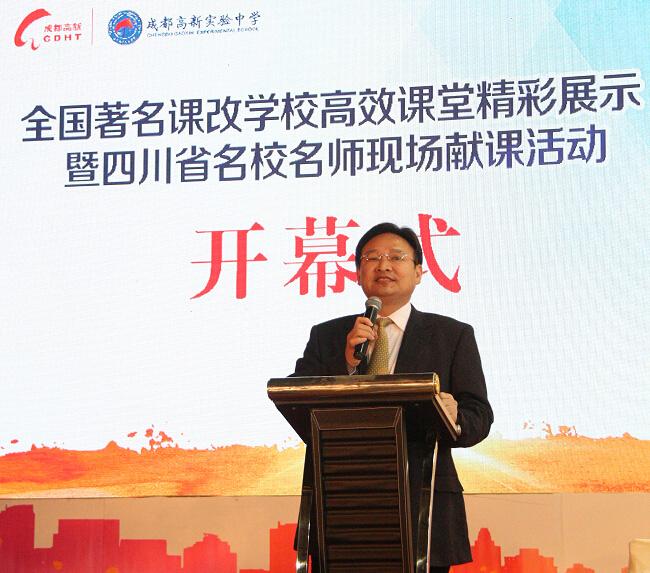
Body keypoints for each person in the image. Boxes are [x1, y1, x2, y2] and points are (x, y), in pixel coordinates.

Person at [292, 222, 493, 572]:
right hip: (340, 504)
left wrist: (455, 415)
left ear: (418, 272)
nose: (383, 265)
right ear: (358, 273)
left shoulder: (451, 335)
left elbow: (479, 415)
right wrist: (348, 364)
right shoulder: (328, 336)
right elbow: (298, 399)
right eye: (372, 258)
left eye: (396, 257)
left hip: (422, 504)